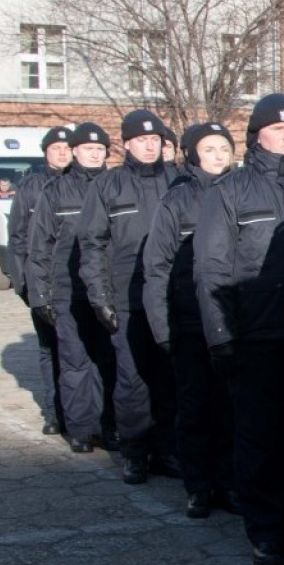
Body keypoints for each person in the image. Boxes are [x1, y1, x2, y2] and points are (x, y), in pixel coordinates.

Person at [194, 92, 284, 565]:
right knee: (258, 437)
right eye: (279, 128)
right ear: (257, 137)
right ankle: (265, 532)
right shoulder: (230, 191)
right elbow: (211, 270)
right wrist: (221, 336)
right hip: (256, 337)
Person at [144, 122, 239, 519]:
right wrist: (162, 326)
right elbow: (157, 267)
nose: (218, 156)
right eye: (209, 149)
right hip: (190, 323)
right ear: (192, 155)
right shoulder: (177, 200)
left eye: (224, 148)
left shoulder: (240, 191)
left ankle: (230, 483)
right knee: (196, 407)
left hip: (233, 322)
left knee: (232, 410)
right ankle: (199, 486)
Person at [79, 108, 180, 485]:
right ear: (126, 144)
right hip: (127, 299)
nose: (150, 146)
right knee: (133, 380)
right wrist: (99, 296)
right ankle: (135, 453)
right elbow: (91, 245)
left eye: (155, 140)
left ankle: (167, 450)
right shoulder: (108, 186)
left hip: (169, 299)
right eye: (142, 140)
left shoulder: (177, 179)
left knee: (169, 379)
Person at [26, 122, 118, 454]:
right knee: (76, 363)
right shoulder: (56, 191)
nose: (94, 154)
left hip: (109, 293)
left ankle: (111, 427)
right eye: (88, 148)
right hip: (68, 294)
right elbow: (39, 248)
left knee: (111, 363)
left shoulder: (116, 186)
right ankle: (81, 429)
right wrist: (40, 296)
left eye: (100, 149)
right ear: (75, 151)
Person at [9, 126, 74, 436]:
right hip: (40, 283)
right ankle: (54, 412)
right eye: (55, 148)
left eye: (66, 147)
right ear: (45, 152)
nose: (62, 153)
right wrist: (25, 286)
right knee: (50, 349)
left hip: (71, 285)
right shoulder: (32, 187)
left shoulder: (81, 184)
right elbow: (18, 239)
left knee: (77, 352)